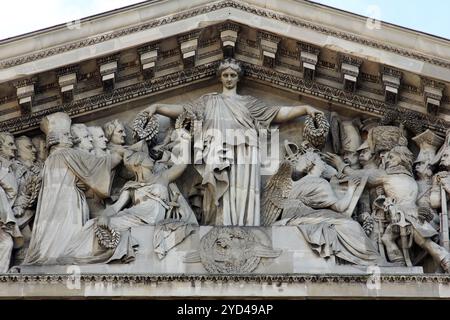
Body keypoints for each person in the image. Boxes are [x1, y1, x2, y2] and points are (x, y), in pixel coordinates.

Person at [141, 58, 323, 226]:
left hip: (246, 150)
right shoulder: (208, 101)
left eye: (232, 75)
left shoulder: (249, 103)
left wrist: (304, 108)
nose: (229, 79)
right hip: (216, 150)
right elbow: (183, 110)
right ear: (220, 77)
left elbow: (277, 113)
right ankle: (219, 224)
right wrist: (158, 108)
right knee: (219, 192)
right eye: (225, 75)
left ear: (238, 78)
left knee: (243, 191)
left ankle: (246, 225)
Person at [59, 129, 193, 264]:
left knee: (98, 226)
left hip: (150, 216)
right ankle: (70, 255)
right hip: (135, 216)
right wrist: (104, 216)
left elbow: (182, 164)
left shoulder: (163, 177)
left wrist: (187, 140)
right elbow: (115, 207)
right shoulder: (131, 186)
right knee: (92, 225)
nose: (151, 158)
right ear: (138, 164)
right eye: (146, 157)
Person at [23, 112, 124, 265]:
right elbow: (100, 165)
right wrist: (122, 153)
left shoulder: (51, 159)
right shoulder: (66, 154)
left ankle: (51, 256)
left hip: (52, 210)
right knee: (67, 238)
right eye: (67, 135)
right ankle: (60, 257)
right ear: (60, 138)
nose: (71, 138)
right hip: (68, 205)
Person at [276, 150, 384, 266]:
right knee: (352, 225)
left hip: (295, 216)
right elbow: (340, 207)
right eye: (322, 162)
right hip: (304, 217)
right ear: (314, 164)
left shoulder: (298, 182)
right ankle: (374, 260)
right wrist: (351, 189)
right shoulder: (320, 183)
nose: (324, 165)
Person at [0, 132, 23, 272]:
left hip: (5, 217)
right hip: (4, 216)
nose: (14, 148)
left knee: (7, 243)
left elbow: (13, 192)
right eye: (10, 144)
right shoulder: (5, 168)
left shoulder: (12, 167)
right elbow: (10, 190)